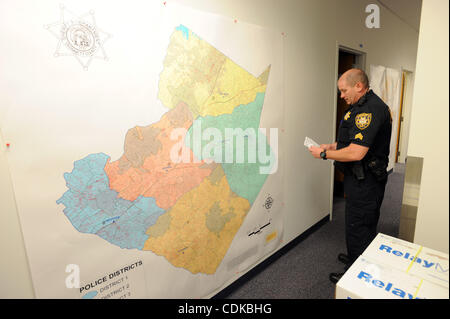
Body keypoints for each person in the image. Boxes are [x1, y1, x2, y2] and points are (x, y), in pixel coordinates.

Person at [308, 68, 392, 284]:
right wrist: (331, 145)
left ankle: (356, 274)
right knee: (357, 223)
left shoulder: (372, 109)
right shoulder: (357, 107)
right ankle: (358, 257)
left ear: (359, 86)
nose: (341, 95)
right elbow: (351, 142)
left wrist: (325, 154)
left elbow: (357, 152)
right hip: (357, 178)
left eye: (344, 90)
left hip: (368, 181)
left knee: (360, 225)